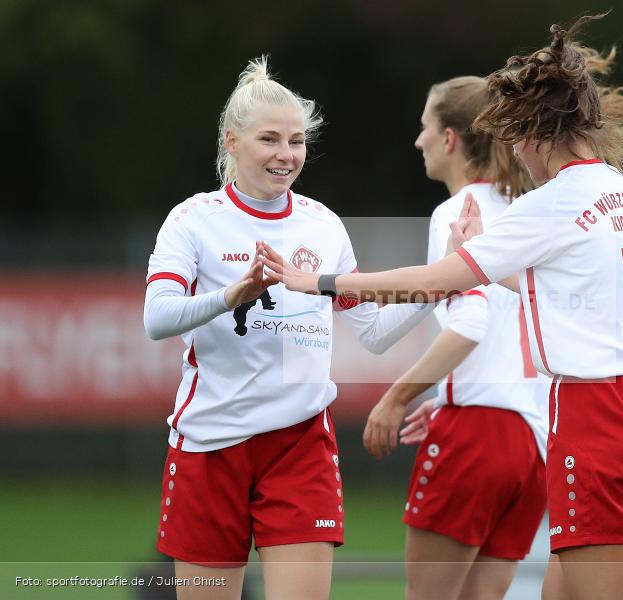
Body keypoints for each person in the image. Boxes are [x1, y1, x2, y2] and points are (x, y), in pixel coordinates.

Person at [260, 16, 623, 600]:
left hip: (596, 414)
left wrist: (321, 282)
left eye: (515, 138)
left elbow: (436, 282)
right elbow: (561, 291)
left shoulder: (552, 202)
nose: (515, 158)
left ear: (533, 131)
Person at [143, 56, 435, 600]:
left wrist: (440, 282)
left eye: (297, 141)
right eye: (270, 140)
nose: (287, 155)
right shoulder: (193, 219)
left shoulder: (322, 224)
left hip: (300, 444)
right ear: (232, 142)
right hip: (210, 443)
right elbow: (156, 318)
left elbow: (371, 332)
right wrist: (233, 295)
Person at [361, 75, 551, 600]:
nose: (417, 140)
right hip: (534, 445)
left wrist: (396, 398)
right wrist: (451, 395)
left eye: (425, 127)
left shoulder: (457, 213)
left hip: (475, 437)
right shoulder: (530, 214)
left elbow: (469, 324)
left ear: (450, 139)